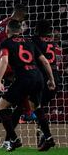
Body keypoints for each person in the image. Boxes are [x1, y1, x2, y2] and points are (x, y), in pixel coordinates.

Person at [0, 20, 56, 152]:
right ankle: (48, 138)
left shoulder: (6, 43)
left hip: (24, 78)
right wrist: (51, 80)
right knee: (37, 107)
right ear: (20, 30)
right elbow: (45, 62)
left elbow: (4, 60)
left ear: (8, 30)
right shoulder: (30, 41)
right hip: (38, 77)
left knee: (0, 107)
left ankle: (13, 139)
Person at [32, 19, 60, 147]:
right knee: (40, 106)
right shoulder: (52, 42)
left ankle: (44, 134)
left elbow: (41, 60)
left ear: (37, 29)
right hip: (55, 76)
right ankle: (43, 134)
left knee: (36, 105)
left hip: (44, 76)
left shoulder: (35, 40)